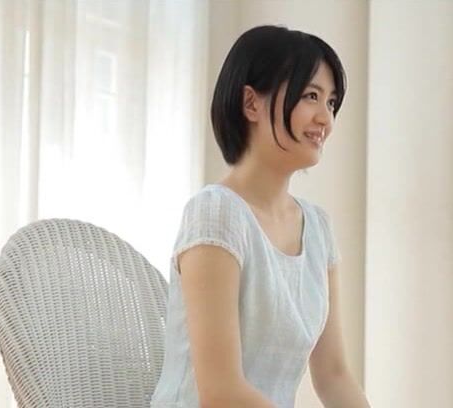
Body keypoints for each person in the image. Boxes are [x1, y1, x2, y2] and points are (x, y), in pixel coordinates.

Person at [150, 25, 370, 408]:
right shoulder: (216, 213)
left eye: (332, 102)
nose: (326, 119)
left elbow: (334, 376)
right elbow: (220, 392)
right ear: (251, 103)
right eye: (311, 96)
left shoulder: (318, 229)